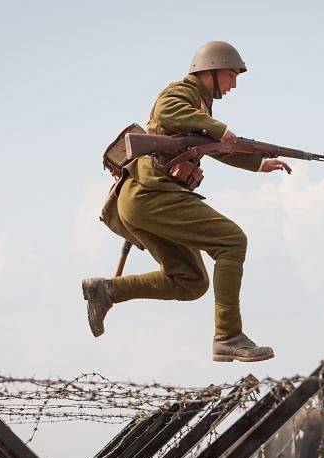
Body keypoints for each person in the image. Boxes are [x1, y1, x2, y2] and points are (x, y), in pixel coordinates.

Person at [81, 41, 292, 362]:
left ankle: (107, 290)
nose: (234, 83)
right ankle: (229, 335)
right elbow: (168, 110)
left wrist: (259, 163)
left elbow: (215, 146)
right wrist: (218, 128)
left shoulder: (201, 109)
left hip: (142, 202)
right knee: (232, 241)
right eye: (231, 74)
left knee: (190, 281)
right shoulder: (181, 92)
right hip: (151, 195)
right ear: (211, 69)